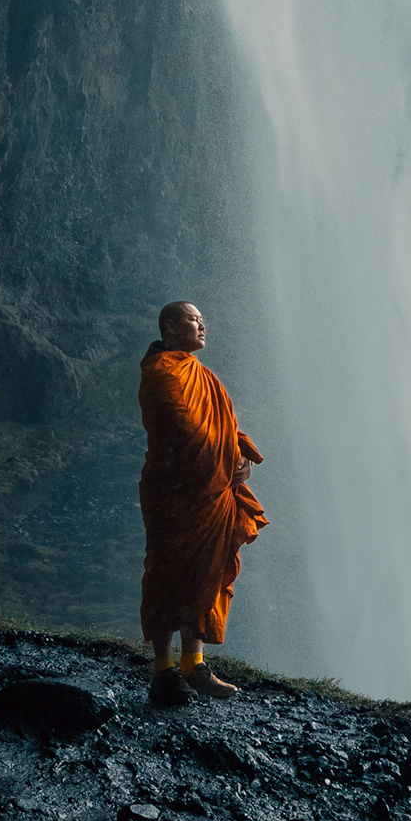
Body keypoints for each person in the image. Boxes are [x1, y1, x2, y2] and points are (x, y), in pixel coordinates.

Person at [136, 301, 267, 706]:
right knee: (166, 571)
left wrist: (239, 459)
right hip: (175, 494)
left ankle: (195, 664)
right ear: (170, 327)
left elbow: (224, 427)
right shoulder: (160, 373)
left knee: (205, 572)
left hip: (212, 495)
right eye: (194, 319)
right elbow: (184, 430)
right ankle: (163, 670)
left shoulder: (204, 376)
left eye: (202, 320)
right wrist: (223, 460)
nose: (202, 325)